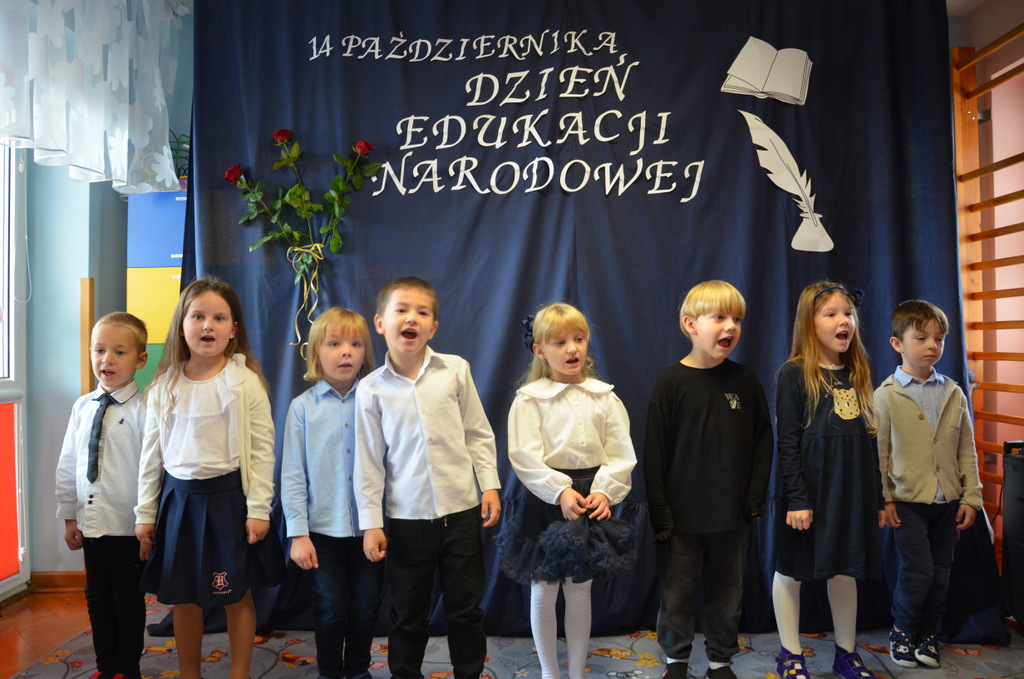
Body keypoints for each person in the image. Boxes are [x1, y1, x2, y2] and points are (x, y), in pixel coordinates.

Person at [135, 278, 284, 679]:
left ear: (233, 329)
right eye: (198, 316)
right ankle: (190, 673)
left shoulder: (244, 381)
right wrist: (145, 513)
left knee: (236, 594)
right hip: (179, 503)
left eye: (219, 318)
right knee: (184, 598)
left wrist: (259, 510)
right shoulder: (164, 385)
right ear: (181, 325)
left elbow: (262, 450)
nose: (208, 325)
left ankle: (239, 672)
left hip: (229, 501)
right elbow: (151, 456)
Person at [353, 276, 501, 679]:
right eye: (401, 310)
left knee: (466, 609)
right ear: (380, 323)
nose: (411, 318)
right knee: (407, 613)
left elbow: (477, 432)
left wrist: (489, 484)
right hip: (406, 520)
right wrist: (371, 523)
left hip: (461, 511)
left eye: (422, 312)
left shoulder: (455, 370)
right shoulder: (371, 390)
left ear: (433, 328)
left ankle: (469, 673)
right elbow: (368, 463)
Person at [497, 302, 637, 679]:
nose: (572, 349)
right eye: (559, 342)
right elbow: (523, 455)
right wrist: (559, 490)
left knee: (579, 589)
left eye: (578, 339)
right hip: (547, 499)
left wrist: (605, 491)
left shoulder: (604, 397)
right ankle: (550, 672)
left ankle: (576, 673)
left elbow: (620, 452)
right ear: (540, 350)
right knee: (544, 589)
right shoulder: (529, 399)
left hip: (589, 498)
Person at [643, 281, 773, 679]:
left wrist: (753, 500)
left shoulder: (745, 380)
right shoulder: (671, 382)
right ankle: (676, 661)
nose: (730, 326)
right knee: (676, 594)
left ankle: (720, 661)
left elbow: (763, 441)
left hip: (730, 516)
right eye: (719, 317)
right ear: (691, 325)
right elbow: (654, 454)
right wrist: (661, 516)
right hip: (680, 520)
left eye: (737, 319)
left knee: (727, 594)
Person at [773, 281, 885, 679]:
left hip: (850, 492)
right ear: (810, 322)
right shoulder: (794, 374)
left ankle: (846, 654)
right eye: (832, 314)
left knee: (844, 568)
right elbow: (788, 443)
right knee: (793, 570)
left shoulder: (856, 373)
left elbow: (869, 441)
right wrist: (797, 499)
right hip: (810, 494)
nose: (844, 321)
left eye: (849, 314)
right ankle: (790, 654)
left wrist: (877, 499)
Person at [875, 299, 982, 669]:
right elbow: (879, 454)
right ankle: (902, 630)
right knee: (918, 570)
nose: (932, 346)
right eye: (921, 338)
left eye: (939, 339)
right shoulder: (886, 395)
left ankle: (928, 635)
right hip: (907, 502)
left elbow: (966, 448)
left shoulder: (954, 392)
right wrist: (884, 499)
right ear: (898, 344)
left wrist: (971, 496)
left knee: (941, 571)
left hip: (948, 501)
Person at [281, 307, 385, 679]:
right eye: (334, 344)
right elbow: (293, 474)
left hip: (369, 528)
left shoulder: (375, 401)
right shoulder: (302, 409)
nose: (346, 352)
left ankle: (357, 670)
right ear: (316, 353)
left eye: (355, 344)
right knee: (330, 608)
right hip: (322, 530)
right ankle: (329, 671)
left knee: (366, 608)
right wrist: (298, 534)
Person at [56, 312, 149, 679]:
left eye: (119, 352)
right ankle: (106, 667)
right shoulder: (82, 407)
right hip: (91, 525)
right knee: (97, 599)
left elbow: (152, 473)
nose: (106, 359)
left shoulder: (145, 410)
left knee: (127, 601)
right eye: (99, 350)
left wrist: (148, 523)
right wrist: (69, 517)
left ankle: (127, 669)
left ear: (140, 359)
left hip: (127, 527)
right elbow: (68, 464)